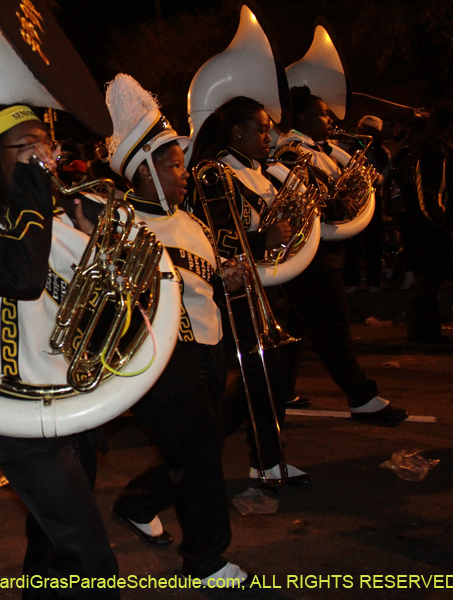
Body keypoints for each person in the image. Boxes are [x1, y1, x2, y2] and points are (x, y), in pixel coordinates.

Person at [0, 104, 119, 599]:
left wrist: (93, 234)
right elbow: (22, 278)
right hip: (18, 408)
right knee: (90, 557)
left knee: (52, 546)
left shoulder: (53, 218)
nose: (47, 155)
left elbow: (99, 300)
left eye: (47, 143)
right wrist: (36, 198)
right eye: (30, 145)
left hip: (71, 399)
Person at [104, 74, 250, 588]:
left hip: (207, 352)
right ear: (143, 171)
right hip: (162, 358)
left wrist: (225, 276)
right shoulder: (119, 223)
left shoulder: (189, 222)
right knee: (201, 460)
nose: (182, 173)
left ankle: (137, 503)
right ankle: (206, 562)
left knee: (196, 450)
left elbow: (200, 282)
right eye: (172, 165)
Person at [186, 95, 311, 486]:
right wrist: (264, 239)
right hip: (239, 288)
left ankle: (265, 458)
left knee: (274, 376)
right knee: (258, 379)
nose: (268, 136)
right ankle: (262, 460)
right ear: (237, 131)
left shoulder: (259, 171)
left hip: (271, 283)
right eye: (260, 129)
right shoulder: (215, 174)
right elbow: (216, 241)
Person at [275, 86, 408, 422]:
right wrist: (337, 204)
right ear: (304, 118)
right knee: (334, 331)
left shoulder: (328, 150)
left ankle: (277, 394)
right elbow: (302, 196)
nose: (330, 119)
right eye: (322, 113)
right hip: (313, 254)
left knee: (298, 330)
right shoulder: (292, 152)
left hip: (325, 251)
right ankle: (361, 397)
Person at [399, 101, 453, 344]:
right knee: (442, 275)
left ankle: (422, 330)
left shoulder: (448, 150)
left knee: (431, 278)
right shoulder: (435, 152)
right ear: (447, 124)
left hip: (442, 228)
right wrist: (446, 224)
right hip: (440, 229)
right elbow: (430, 192)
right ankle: (421, 330)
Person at [343, 115, 392, 293]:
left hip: (373, 200)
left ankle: (374, 282)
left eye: (362, 129)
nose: (358, 132)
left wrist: (367, 175)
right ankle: (352, 281)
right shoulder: (350, 150)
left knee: (374, 242)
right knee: (351, 243)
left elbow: (382, 179)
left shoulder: (383, 153)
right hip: (353, 200)